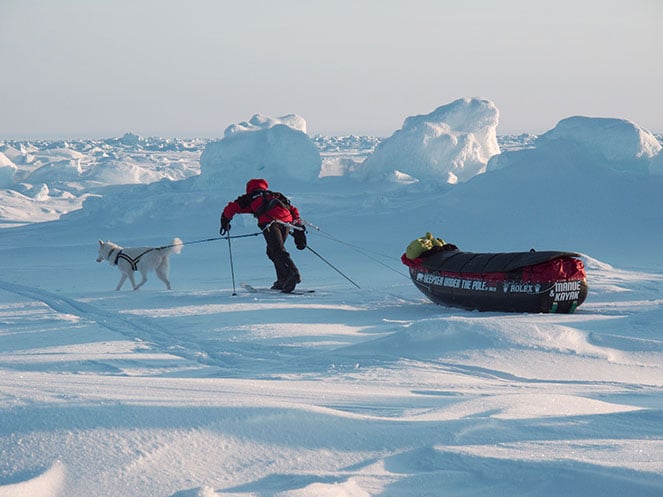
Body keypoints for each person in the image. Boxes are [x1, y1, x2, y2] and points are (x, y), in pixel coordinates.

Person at [220, 178, 307, 293]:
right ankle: (283, 279)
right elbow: (292, 209)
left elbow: (232, 208)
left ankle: (293, 274)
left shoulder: (249, 197)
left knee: (277, 250)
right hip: (286, 222)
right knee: (272, 251)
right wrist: (298, 227)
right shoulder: (275, 195)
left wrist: (225, 220)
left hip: (270, 222)